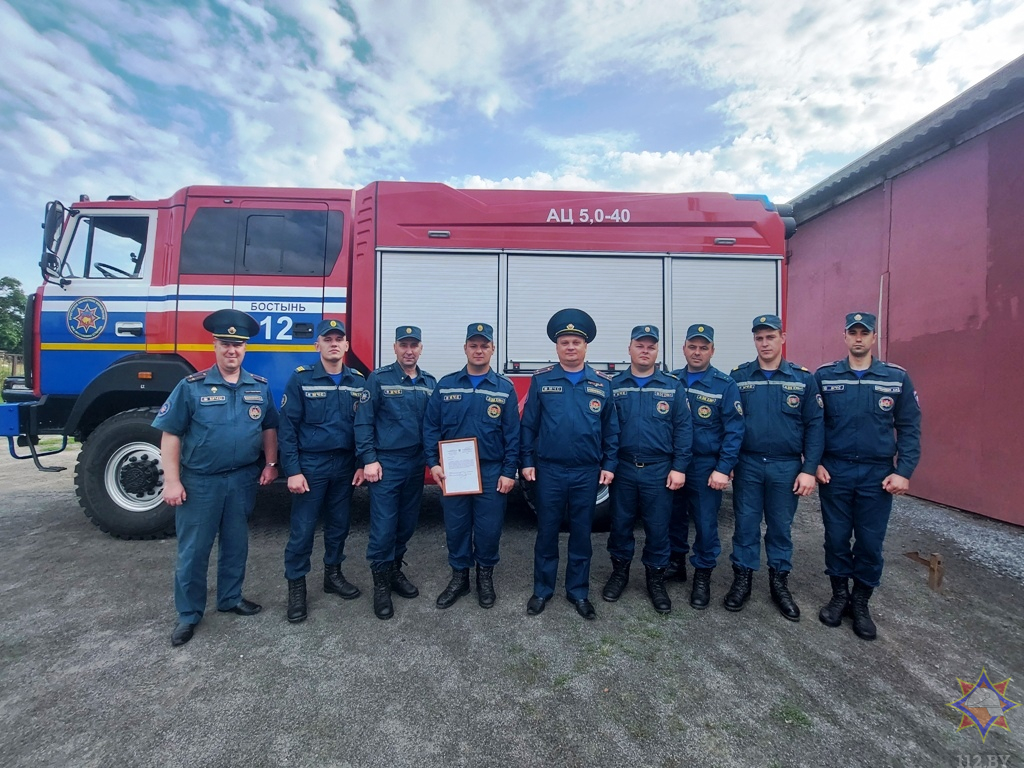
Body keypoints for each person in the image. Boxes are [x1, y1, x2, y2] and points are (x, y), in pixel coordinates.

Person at [154, 309, 279, 647]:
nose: (232, 350)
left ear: (245, 349)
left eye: (238, 345)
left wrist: (270, 463)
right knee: (194, 551)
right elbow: (170, 434)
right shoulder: (191, 387)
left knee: (236, 545)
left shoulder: (259, 387)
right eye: (225, 344)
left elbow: (268, 426)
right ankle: (189, 615)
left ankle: (230, 598)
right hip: (200, 482)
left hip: (242, 480)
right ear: (215, 346)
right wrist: (172, 480)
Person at [814, 312, 921, 640]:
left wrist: (904, 471)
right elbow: (814, 425)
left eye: (865, 332)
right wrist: (813, 463)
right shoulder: (825, 376)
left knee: (870, 543)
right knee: (835, 538)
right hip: (835, 470)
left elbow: (910, 428)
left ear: (873, 338)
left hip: (877, 475)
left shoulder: (896, 378)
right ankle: (839, 596)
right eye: (853, 332)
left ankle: (861, 602)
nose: (858, 338)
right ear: (844, 337)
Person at [520, 308, 619, 620]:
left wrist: (609, 464)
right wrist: (526, 461)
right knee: (547, 532)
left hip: (586, 473)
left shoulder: (602, 384)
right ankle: (542, 590)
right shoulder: (542, 380)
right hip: (549, 470)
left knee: (581, 535)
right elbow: (529, 426)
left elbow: (611, 429)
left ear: (586, 346)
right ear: (557, 346)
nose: (571, 346)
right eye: (565, 342)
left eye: (576, 341)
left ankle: (578, 592)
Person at [727, 314, 823, 621]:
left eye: (770, 337)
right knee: (745, 526)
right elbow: (728, 423)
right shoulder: (739, 377)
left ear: (782, 337)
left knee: (780, 529)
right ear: (754, 340)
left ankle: (779, 584)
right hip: (748, 464)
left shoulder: (802, 379)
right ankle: (742, 580)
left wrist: (809, 469)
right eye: (759, 338)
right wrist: (727, 463)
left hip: (786, 466)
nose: (765, 343)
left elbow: (815, 426)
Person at [423, 323, 521, 610]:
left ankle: (485, 577)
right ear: (465, 348)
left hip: (491, 471)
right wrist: (434, 464)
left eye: (484, 345)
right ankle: (459, 577)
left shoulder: (504, 388)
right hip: (454, 470)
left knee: (489, 529)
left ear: (492, 349)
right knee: (456, 527)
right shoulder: (447, 384)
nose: (479, 350)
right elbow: (431, 427)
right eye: (473, 345)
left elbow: (513, 434)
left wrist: (508, 471)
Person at [278, 318, 365, 624]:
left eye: (338, 339)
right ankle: (297, 587)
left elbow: (363, 428)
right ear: (317, 345)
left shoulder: (358, 382)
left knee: (339, 526)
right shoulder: (301, 379)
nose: (333, 344)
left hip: (344, 466)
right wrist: (292, 470)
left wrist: (360, 464)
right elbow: (287, 428)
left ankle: (333, 575)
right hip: (311, 466)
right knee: (302, 530)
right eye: (327, 339)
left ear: (346, 346)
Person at [602, 325, 692, 614]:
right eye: (639, 345)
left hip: (659, 469)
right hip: (624, 469)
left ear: (657, 351)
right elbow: (605, 430)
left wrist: (679, 467)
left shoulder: (672, 385)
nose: (645, 350)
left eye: (651, 346)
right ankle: (620, 573)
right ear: (629, 349)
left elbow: (683, 428)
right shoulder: (614, 386)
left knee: (658, 527)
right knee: (620, 524)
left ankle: (655, 580)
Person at [355, 325, 437, 620]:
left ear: (421, 349)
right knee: (383, 528)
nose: (409, 350)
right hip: (386, 466)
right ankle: (380, 586)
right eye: (404, 345)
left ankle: (394, 571)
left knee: (406, 524)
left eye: (414, 345)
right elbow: (363, 422)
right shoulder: (378, 379)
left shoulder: (430, 382)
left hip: (416, 465)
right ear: (395, 348)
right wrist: (368, 459)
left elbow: (433, 426)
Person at [667, 324, 744, 610]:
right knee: (673, 518)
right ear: (684, 348)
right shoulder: (671, 380)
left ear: (712, 350)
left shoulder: (725, 385)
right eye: (692, 346)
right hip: (674, 464)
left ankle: (702, 574)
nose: (697, 352)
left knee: (705, 523)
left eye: (703, 347)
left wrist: (723, 468)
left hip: (704, 466)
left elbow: (734, 430)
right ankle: (676, 564)